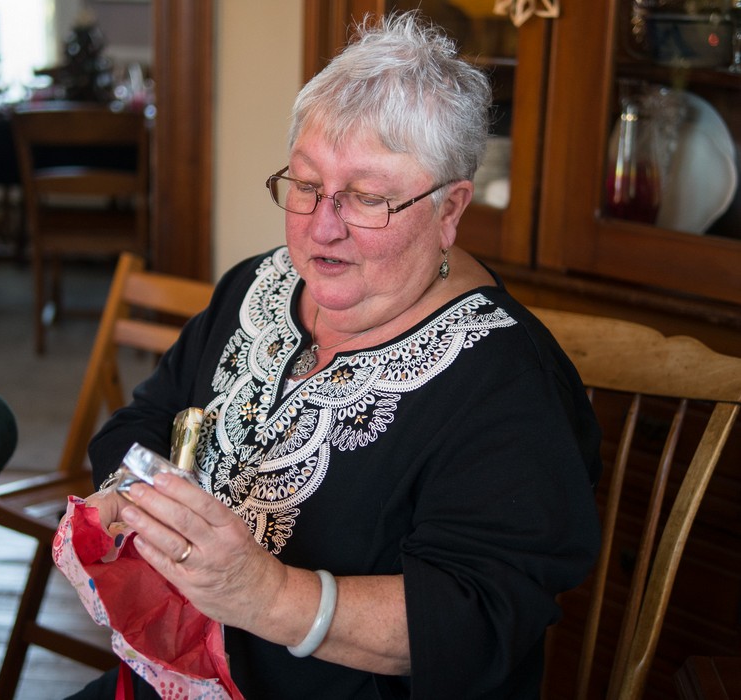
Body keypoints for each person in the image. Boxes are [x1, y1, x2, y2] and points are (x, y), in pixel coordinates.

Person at [68, 11, 601, 699]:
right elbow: (147, 419)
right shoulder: (257, 288)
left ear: (449, 209)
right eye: (307, 184)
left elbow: (478, 620)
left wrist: (268, 594)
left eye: (368, 198)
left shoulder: (506, 382)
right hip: (172, 679)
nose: (323, 226)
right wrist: (128, 499)